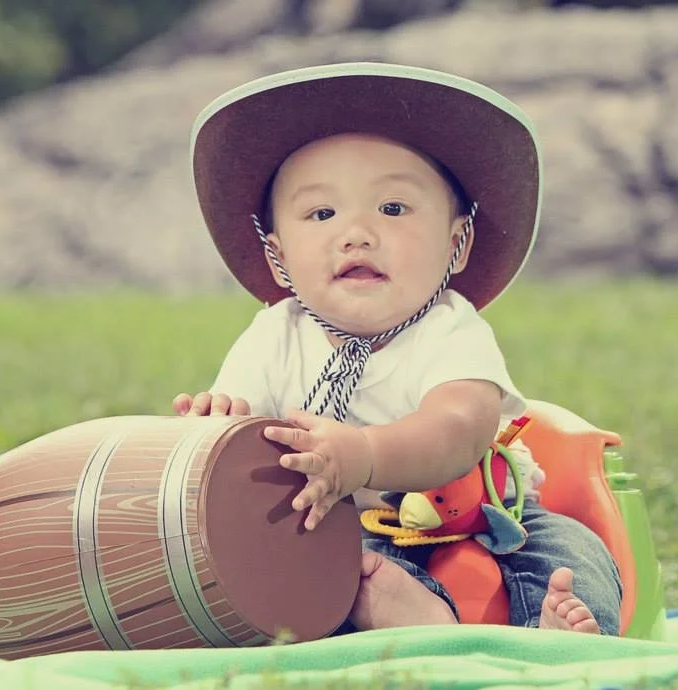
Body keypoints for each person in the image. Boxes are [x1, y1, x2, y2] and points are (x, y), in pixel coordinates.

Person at [173, 63, 622, 635]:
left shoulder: (448, 327)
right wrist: (215, 427)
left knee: (570, 552)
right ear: (278, 259)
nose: (356, 233)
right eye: (322, 213)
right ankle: (423, 617)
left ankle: (557, 639)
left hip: (488, 514)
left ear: (457, 243)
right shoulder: (273, 336)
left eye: (392, 209)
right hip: (346, 525)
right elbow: (242, 440)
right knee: (320, 569)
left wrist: (363, 455)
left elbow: (460, 426)